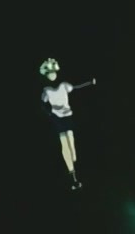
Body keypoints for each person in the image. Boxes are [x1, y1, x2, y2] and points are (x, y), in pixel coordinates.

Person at [39, 58, 96, 190]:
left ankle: (74, 158)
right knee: (64, 144)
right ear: (46, 75)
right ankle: (73, 175)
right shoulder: (46, 90)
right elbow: (42, 104)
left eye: (53, 72)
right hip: (57, 118)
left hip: (67, 116)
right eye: (49, 74)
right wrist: (49, 113)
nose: (52, 75)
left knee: (70, 140)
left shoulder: (64, 85)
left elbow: (76, 87)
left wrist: (90, 82)